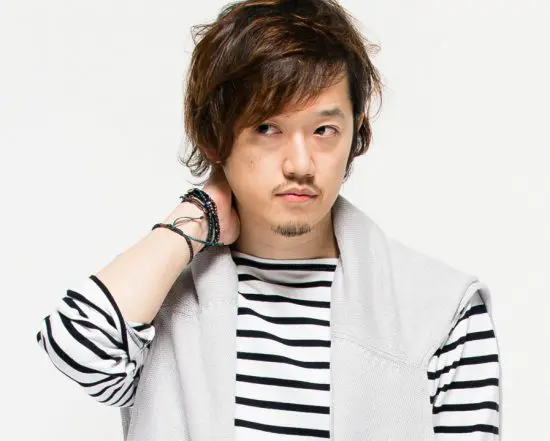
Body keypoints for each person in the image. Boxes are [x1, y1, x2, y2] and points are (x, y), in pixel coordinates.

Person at [36, 0, 501, 439]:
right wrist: (197, 215)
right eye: (267, 128)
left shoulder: (440, 313)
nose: (300, 163)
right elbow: (78, 347)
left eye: (324, 130)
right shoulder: (159, 305)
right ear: (216, 136)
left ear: (355, 134)